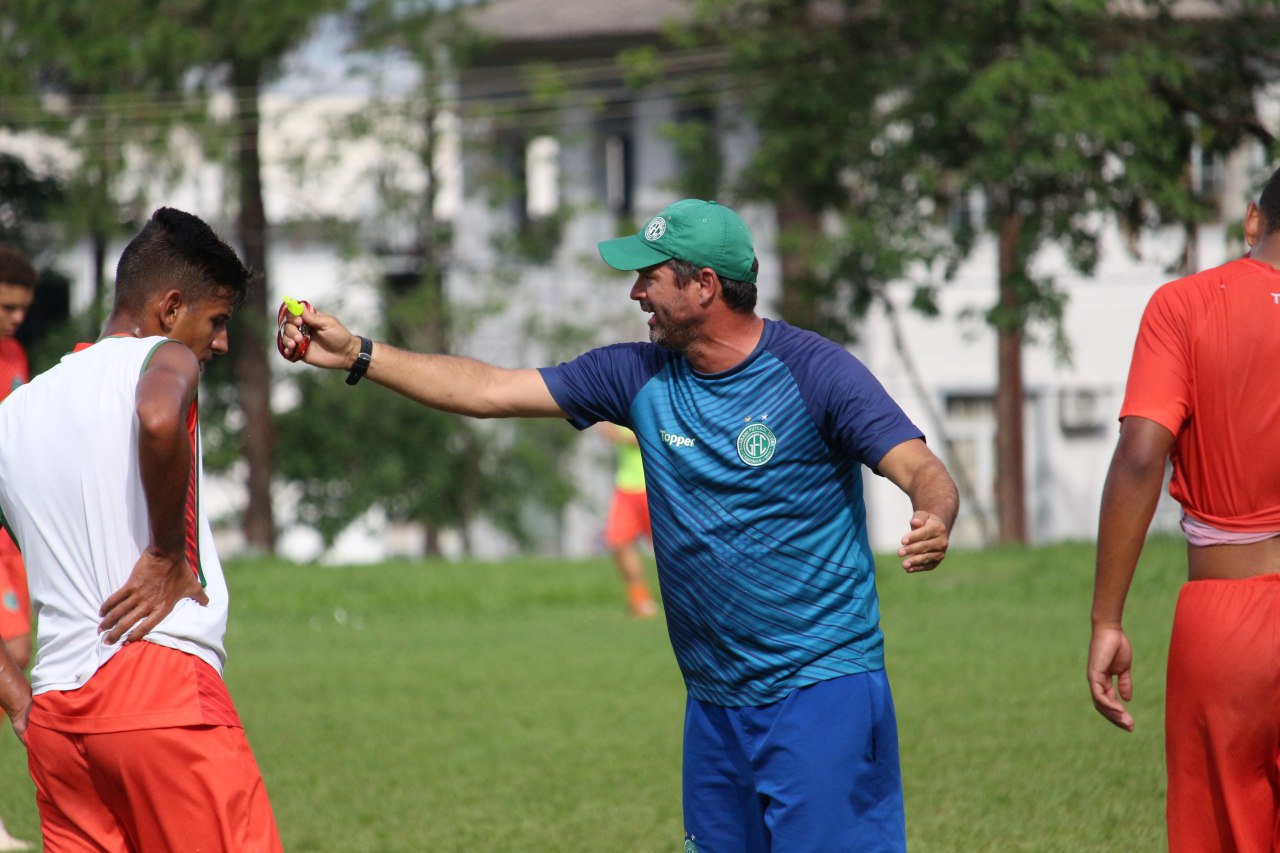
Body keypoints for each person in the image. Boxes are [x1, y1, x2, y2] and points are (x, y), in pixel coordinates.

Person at [280, 197, 959, 851]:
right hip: (716, 701)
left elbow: (920, 466)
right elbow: (489, 390)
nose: (635, 292)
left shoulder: (815, 373)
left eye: (650, 276)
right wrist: (357, 354)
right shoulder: (637, 374)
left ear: (704, 285)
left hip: (821, 692)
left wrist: (933, 512)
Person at [0, 208, 282, 851]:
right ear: (170, 307)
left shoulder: (15, 413)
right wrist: (165, 554)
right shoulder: (164, 358)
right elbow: (158, 417)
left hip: (59, 726)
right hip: (162, 696)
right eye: (216, 321)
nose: (219, 344)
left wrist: (18, 703)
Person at [1087, 167, 1280, 852]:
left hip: (1226, 621)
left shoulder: (1185, 305)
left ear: (1254, 219)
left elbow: (1142, 452)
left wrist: (1107, 616)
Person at [0, 247, 36, 851]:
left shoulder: (14, 355)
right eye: (6, 307)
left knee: (16, 650)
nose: (15, 318)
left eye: (21, 309)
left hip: (7, 532)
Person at [598, 423, 658, 617]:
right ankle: (640, 599)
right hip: (626, 486)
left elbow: (653, 435)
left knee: (672, 546)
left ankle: (691, 598)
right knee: (618, 541)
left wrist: (620, 437)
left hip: (655, 485)